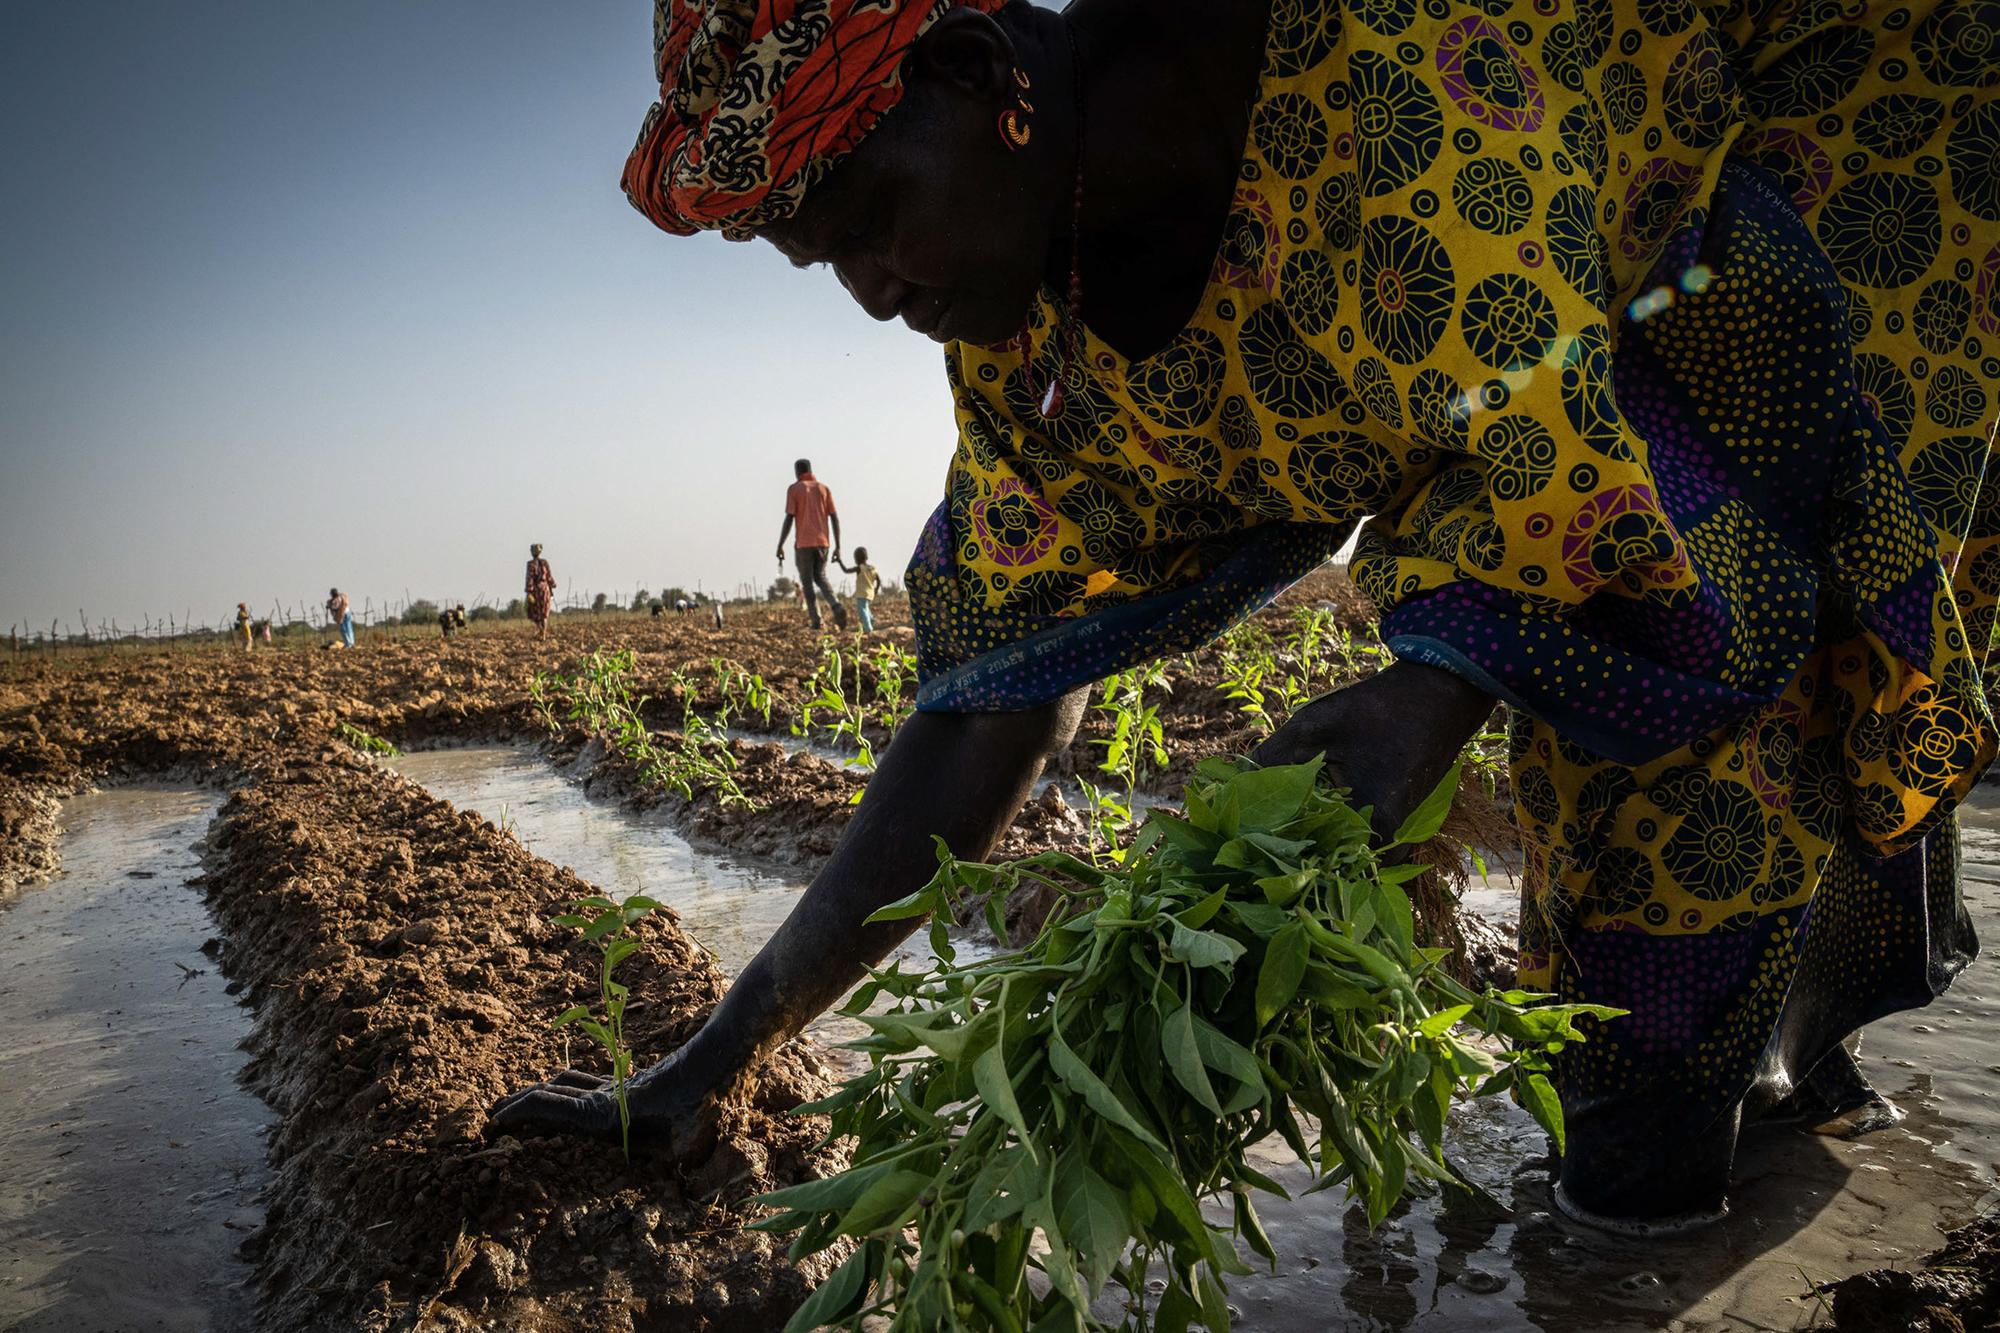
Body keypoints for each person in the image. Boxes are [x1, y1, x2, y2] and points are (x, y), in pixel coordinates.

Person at [498, 0, 1998, 1231]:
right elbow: (981, 706)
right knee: (1628, 1070)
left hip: (1807, 132)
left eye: (879, 217)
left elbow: (1557, 445)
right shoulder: (1029, 351)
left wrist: (1423, 695)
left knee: (1709, 819)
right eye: (831, 265)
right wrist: (720, 1051)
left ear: (976, 74)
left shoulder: (1377, 84)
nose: (878, 292)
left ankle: (1793, 1127)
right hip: (1574, 397)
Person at [777, 458, 848, 632]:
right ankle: (836, 605)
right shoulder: (823, 489)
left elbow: (789, 518)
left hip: (803, 543)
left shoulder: (794, 489)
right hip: (823, 542)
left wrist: (780, 544)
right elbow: (834, 518)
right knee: (821, 577)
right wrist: (838, 546)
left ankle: (817, 621)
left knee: (807, 583)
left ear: (797, 472)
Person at [839, 546, 880, 633]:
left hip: (862, 593)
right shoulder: (872, 569)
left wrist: (839, 561)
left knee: (862, 610)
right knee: (866, 608)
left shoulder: (859, 568)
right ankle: (871, 620)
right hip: (870, 593)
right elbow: (879, 580)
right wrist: (876, 589)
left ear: (857, 559)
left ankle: (868, 628)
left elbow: (846, 570)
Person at [525, 545, 556, 640]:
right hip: (545, 589)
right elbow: (549, 577)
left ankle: (541, 631)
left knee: (534, 612)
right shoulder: (545, 562)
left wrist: (529, 591)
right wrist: (552, 585)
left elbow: (529, 578)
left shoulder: (530, 564)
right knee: (544, 614)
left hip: (536, 591)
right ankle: (543, 634)